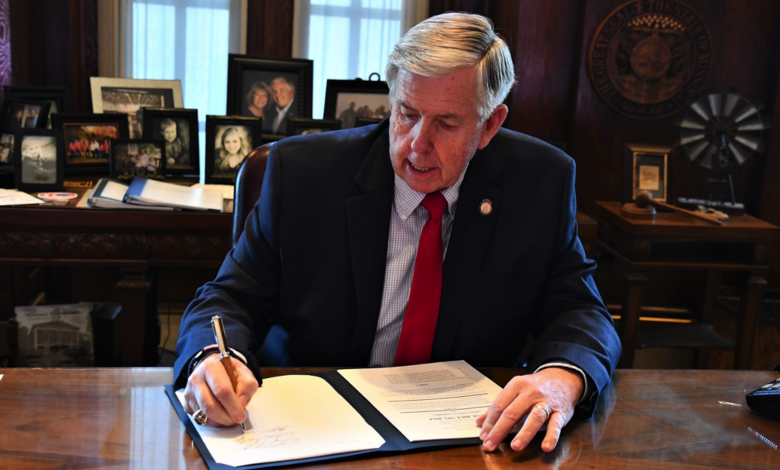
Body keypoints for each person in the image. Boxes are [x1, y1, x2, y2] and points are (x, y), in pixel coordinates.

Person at [176, 12, 620, 454]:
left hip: (469, 439)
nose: (416, 144)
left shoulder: (539, 182)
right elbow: (230, 297)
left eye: (446, 123)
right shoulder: (303, 174)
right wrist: (216, 358)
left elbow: (581, 311)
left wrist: (562, 379)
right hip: (311, 427)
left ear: (489, 125)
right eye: (407, 114)